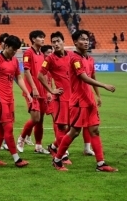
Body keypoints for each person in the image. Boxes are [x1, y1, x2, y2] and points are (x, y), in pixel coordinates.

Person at [51, 30, 117, 172]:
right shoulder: (74, 58)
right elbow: (83, 77)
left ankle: (101, 164)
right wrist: (104, 85)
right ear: (75, 42)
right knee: (74, 132)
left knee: (95, 131)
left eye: (87, 39)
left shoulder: (89, 59)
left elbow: (92, 76)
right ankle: (57, 160)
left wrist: (97, 95)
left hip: (89, 100)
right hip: (79, 101)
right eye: (82, 39)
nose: (86, 41)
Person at [38, 32, 94, 165]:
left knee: (72, 129)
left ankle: (53, 147)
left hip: (74, 97)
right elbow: (40, 75)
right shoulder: (49, 59)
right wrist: (51, 90)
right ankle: (62, 156)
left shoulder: (71, 55)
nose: (56, 44)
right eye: (53, 42)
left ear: (63, 42)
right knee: (63, 127)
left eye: (58, 41)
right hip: (61, 97)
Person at [0, 35, 30, 167]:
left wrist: (27, 93)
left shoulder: (14, 61)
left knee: (2, 130)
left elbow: (19, 78)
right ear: (6, 46)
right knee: (8, 128)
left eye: (16, 49)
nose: (14, 51)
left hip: (9, 98)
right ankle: (16, 159)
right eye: (12, 49)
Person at [17, 30, 49, 154]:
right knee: (35, 118)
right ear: (33, 39)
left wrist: (48, 91)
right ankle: (21, 138)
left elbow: (43, 74)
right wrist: (34, 88)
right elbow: (26, 71)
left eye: (43, 37)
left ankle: (39, 146)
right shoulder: (28, 53)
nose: (42, 39)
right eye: (40, 37)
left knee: (40, 120)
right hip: (32, 90)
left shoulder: (41, 54)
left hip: (42, 91)